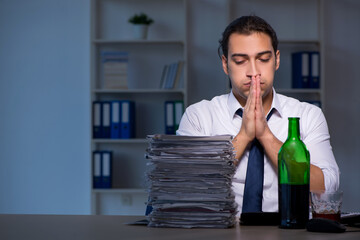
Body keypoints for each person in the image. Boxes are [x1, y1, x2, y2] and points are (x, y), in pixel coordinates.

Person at [176, 15, 340, 214]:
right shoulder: (198, 116)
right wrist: (244, 136)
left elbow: (327, 187)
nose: (253, 72)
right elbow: (186, 188)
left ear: (277, 60)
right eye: (240, 61)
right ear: (225, 64)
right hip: (220, 233)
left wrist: (266, 136)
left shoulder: (307, 115)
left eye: (263, 59)